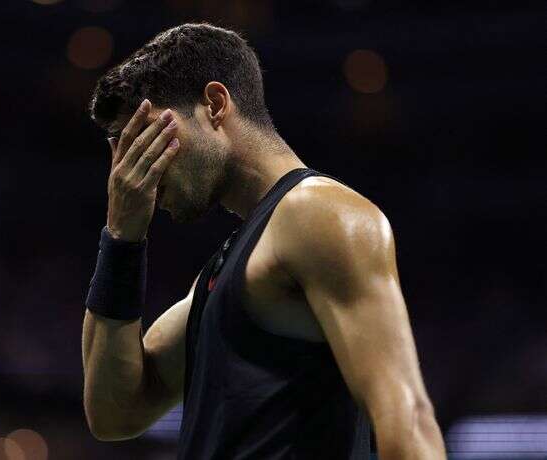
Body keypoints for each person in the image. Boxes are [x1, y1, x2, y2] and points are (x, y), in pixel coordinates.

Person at [81, 22, 446, 459]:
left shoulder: (321, 215)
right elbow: (114, 413)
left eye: (147, 140)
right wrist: (122, 237)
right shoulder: (227, 268)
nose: (137, 174)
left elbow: (407, 422)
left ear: (215, 105)